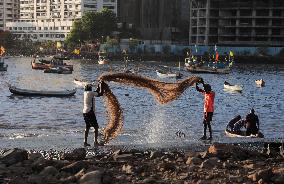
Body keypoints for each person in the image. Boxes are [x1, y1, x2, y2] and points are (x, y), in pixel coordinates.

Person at [82, 81, 105, 147]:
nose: (91, 88)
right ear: (89, 88)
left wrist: (98, 85)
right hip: (90, 112)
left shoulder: (86, 93)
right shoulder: (91, 93)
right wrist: (101, 85)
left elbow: (96, 91)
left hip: (84, 112)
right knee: (96, 127)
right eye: (91, 87)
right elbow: (100, 93)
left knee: (87, 127)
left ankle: (85, 142)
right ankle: (95, 142)